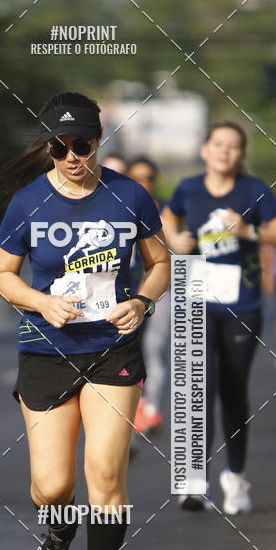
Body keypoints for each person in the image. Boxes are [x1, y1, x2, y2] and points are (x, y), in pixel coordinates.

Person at [0, 91, 170, 550]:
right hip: (46, 351)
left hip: (111, 349)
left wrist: (141, 302)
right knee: (51, 487)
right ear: (48, 147)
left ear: (98, 142)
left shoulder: (129, 196)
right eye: (60, 146)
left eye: (82, 145)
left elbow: (160, 263)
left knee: (106, 473)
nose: (72, 156)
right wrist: (42, 301)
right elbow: (0, 274)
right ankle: (59, 530)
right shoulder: (28, 203)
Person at [162, 121, 276, 514]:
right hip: (195, 297)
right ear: (205, 149)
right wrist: (174, 239)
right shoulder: (188, 188)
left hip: (241, 303)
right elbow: (167, 217)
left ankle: (235, 476)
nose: (225, 151)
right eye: (218, 144)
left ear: (240, 155)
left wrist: (246, 230)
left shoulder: (254, 190)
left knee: (232, 390)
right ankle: (193, 481)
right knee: (198, 386)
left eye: (233, 146)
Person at [127, 157, 170, 435]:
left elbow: (174, 251)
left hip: (160, 292)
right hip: (128, 293)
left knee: (154, 349)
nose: (143, 183)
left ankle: (150, 408)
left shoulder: (165, 211)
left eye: (148, 178)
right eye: (137, 178)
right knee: (131, 352)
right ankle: (132, 409)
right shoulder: (118, 209)